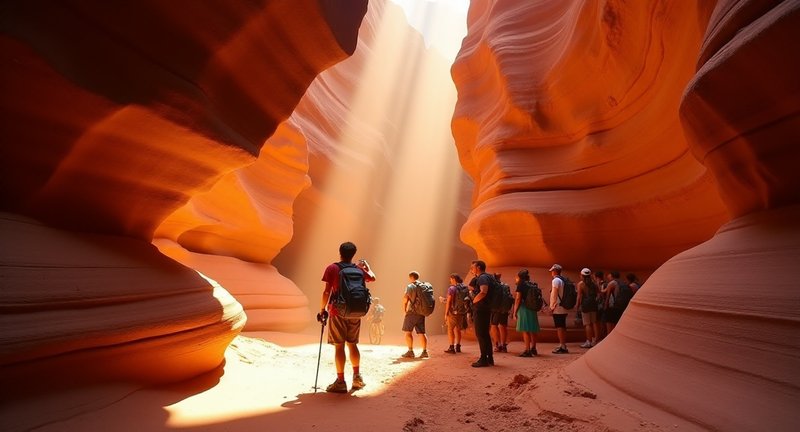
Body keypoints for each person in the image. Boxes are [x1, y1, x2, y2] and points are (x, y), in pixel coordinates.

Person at [319, 241, 376, 393]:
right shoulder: (358, 269)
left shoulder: (332, 268)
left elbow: (326, 292)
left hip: (337, 312)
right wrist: (367, 267)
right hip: (355, 312)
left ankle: (340, 381)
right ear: (353, 254)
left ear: (340, 252)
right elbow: (373, 277)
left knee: (339, 345)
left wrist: (322, 309)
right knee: (352, 344)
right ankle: (357, 378)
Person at [467, 260, 494, 367]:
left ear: (478, 267)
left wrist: (474, 300)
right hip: (486, 309)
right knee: (485, 334)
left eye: (472, 267)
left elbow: (483, 291)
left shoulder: (482, 277)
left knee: (481, 335)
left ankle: (483, 359)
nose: (471, 269)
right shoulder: (488, 277)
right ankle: (489, 358)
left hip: (481, 309)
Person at [401, 271, 429, 359]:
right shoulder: (424, 286)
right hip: (421, 312)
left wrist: (404, 310)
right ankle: (424, 351)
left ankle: (410, 351)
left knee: (408, 332)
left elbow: (405, 299)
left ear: (411, 277)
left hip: (412, 312)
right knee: (422, 333)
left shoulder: (410, 286)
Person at [512, 269, 540, 357]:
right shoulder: (532, 284)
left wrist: (514, 311)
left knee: (525, 330)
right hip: (532, 308)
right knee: (532, 329)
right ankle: (533, 348)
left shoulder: (521, 284)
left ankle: (527, 350)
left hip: (524, 308)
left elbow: (518, 298)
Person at [443, 273, 468, 354]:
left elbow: (449, 302)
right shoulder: (465, 287)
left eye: (450, 279)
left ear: (453, 279)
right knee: (458, 329)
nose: (450, 281)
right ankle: (458, 346)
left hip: (453, 312)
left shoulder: (452, 288)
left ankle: (451, 347)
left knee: (450, 329)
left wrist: (446, 313)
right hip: (461, 312)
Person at [576, 268, 599, 348]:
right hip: (593, 304)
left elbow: (579, 297)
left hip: (585, 304)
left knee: (587, 324)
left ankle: (588, 341)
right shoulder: (594, 283)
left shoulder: (581, 284)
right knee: (594, 322)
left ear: (582, 275)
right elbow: (598, 293)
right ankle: (595, 340)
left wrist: (577, 306)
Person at [548, 264, 569, 354]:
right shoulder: (563, 280)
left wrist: (551, 306)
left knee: (559, 327)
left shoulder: (556, 280)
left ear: (554, 271)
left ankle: (562, 346)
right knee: (563, 326)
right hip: (563, 306)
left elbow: (554, 294)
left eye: (552, 271)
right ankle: (563, 344)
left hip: (558, 307)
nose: (551, 273)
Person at [490, 273, 510, 353]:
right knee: (503, 326)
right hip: (504, 309)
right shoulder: (505, 286)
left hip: (495, 309)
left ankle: (497, 345)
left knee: (494, 326)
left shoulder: (493, 287)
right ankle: (504, 346)